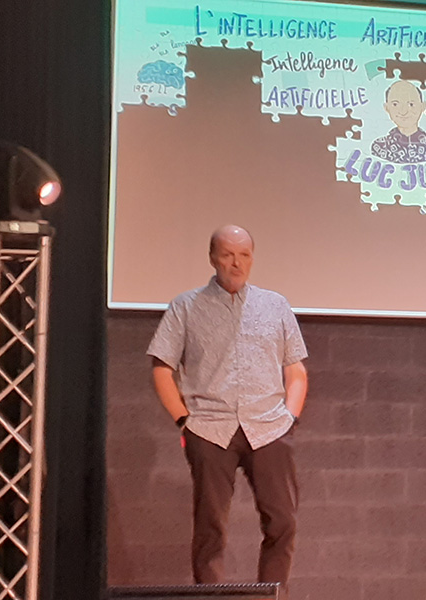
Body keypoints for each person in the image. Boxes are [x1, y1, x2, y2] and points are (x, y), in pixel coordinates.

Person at [146, 225, 308, 594]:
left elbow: (296, 370)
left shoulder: (275, 305)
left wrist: (290, 419)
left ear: (252, 259)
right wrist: (184, 420)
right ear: (212, 257)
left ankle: (272, 595)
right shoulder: (186, 306)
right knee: (210, 527)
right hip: (209, 428)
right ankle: (211, 597)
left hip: (269, 428)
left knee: (282, 521)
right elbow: (161, 367)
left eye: (244, 255)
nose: (236, 263)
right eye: (227, 254)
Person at [370, 80, 426, 164]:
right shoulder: (380, 146)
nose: (403, 111)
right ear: (386, 108)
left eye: (411, 104)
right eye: (395, 104)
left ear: (422, 106)